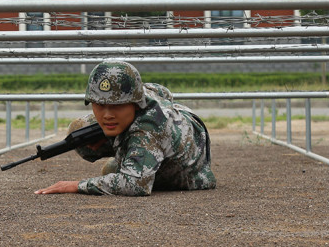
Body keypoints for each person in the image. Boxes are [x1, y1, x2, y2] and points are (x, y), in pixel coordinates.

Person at [34, 60, 216, 196]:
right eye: (99, 104)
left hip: (186, 173)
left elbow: (135, 185)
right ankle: (130, 153)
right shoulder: (140, 91)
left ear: (136, 104)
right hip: (169, 122)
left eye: (116, 105)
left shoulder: (149, 129)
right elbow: (164, 92)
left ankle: (133, 159)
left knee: (114, 172)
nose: (107, 115)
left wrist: (76, 185)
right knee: (80, 130)